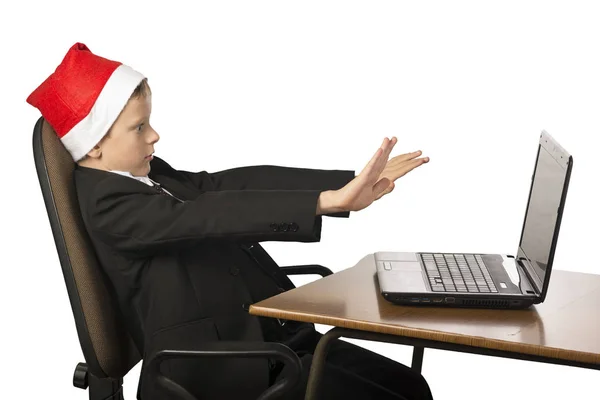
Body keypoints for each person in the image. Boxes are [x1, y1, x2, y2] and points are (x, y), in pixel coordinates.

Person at [26, 42, 432, 400]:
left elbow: (223, 186)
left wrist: (348, 184)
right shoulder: (107, 203)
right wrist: (321, 203)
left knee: (413, 388)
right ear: (94, 144)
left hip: (268, 341)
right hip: (221, 370)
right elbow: (205, 216)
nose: (154, 135)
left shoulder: (145, 175)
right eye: (139, 127)